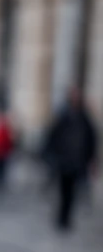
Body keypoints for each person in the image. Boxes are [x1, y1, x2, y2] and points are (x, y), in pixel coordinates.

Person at [43, 87, 98, 231]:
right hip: (64, 160)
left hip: (77, 161)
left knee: (72, 192)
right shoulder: (63, 115)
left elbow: (91, 140)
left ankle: (66, 218)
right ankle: (61, 217)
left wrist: (92, 160)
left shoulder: (84, 118)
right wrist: (50, 155)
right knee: (63, 189)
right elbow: (53, 135)